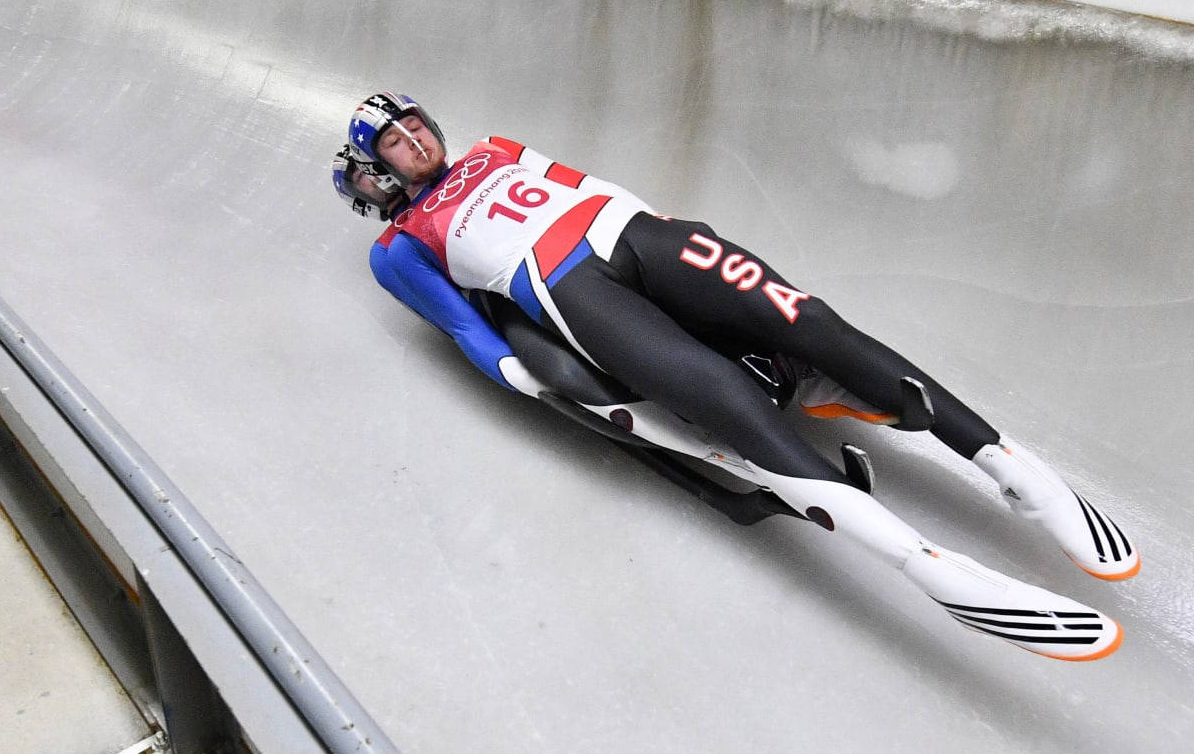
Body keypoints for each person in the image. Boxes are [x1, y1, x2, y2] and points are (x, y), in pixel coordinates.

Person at [334, 91, 1137, 660]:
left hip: (638, 236)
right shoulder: (400, 245)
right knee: (726, 404)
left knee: (808, 321)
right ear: (379, 173)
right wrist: (528, 375)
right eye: (394, 144)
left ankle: (1008, 465)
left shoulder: (498, 150)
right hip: (572, 293)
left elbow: (587, 186)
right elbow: (466, 327)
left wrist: (675, 232)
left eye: (414, 127)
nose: (413, 143)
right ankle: (928, 567)